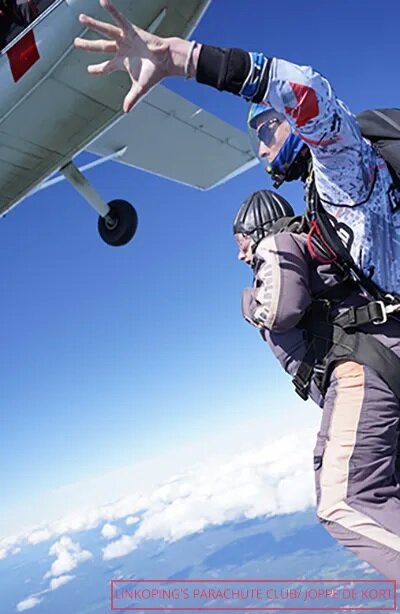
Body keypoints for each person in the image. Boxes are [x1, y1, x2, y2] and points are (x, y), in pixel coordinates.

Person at [73, 0, 400, 301]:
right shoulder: (328, 185)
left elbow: (304, 90)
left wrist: (183, 59)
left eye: (266, 129)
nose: (261, 147)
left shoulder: (341, 165)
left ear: (290, 120)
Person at [234, 188, 400, 580]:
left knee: (345, 501)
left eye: (241, 242)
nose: (240, 254)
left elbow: (282, 310)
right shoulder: (302, 249)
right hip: (374, 365)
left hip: (359, 369)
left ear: (256, 230)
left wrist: (247, 302)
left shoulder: (276, 244)